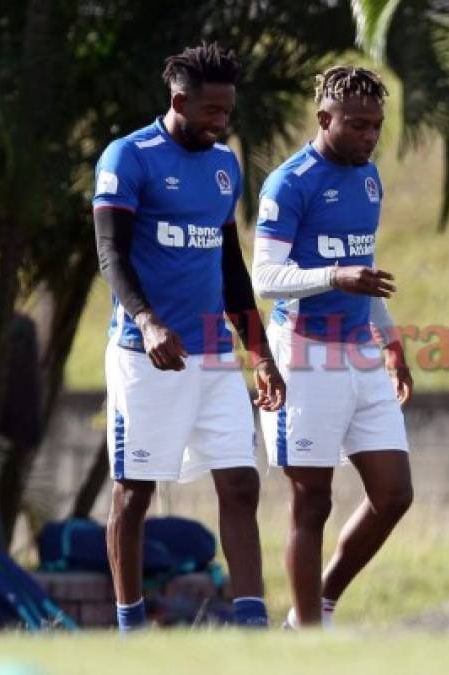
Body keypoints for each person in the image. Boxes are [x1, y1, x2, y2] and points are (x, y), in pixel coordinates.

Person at [92, 42, 285, 631]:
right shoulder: (128, 158)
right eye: (211, 112)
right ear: (179, 100)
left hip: (213, 357)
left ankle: (252, 626)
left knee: (240, 481)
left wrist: (259, 352)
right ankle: (130, 629)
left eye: (227, 112)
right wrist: (148, 321)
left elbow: (230, 269)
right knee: (135, 493)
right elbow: (110, 255)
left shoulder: (224, 166)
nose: (221, 122)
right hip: (145, 356)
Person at [251, 66, 414, 628]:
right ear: (325, 119)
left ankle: (316, 604)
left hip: (360, 354)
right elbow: (266, 278)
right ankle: (308, 635)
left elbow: (362, 274)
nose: (370, 137)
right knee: (312, 503)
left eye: (376, 126)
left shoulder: (369, 179)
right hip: (302, 353)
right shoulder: (289, 183)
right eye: (358, 125)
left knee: (394, 493)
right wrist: (333, 277)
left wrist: (391, 340)